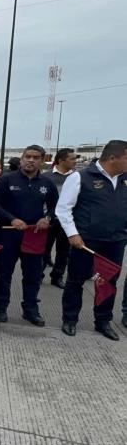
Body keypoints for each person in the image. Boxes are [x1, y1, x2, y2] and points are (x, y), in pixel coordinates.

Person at [56, 139, 127, 340]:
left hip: (115, 240)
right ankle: (70, 319)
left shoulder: (124, 179)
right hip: (86, 241)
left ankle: (103, 321)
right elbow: (63, 208)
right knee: (76, 280)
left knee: (109, 281)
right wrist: (72, 234)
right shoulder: (81, 177)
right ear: (113, 158)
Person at [0, 145, 58, 326]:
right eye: (28, 156)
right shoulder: (7, 179)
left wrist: (48, 218)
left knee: (33, 275)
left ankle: (30, 310)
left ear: (41, 160)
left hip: (34, 235)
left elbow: (57, 207)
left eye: (35, 157)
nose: (31, 160)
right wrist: (11, 219)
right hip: (8, 233)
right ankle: (1, 307)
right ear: (22, 158)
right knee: (3, 273)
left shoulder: (47, 183)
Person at [41, 148, 77, 288]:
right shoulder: (46, 176)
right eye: (72, 159)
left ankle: (57, 276)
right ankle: (39, 275)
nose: (75, 161)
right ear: (61, 160)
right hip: (49, 219)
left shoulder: (77, 177)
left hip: (68, 221)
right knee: (44, 249)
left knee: (64, 251)